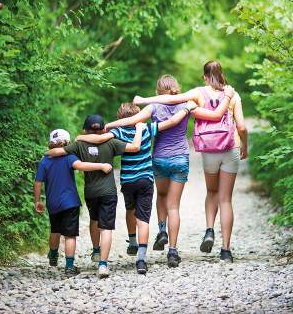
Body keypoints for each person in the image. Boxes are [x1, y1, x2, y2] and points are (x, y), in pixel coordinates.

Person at [76, 101, 225, 270]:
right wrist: (185, 108)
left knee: (130, 210)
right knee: (143, 218)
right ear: (138, 115)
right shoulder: (146, 128)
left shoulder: (118, 132)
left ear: (120, 118)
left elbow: (100, 138)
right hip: (145, 179)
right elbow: (171, 122)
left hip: (128, 180)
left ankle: (132, 241)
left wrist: (81, 137)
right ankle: (141, 259)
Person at [105, 76, 234, 267]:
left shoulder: (154, 107)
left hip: (159, 158)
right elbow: (213, 115)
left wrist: (109, 125)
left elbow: (132, 120)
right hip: (180, 158)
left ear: (158, 91)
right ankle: (172, 252)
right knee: (174, 206)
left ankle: (162, 230)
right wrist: (227, 98)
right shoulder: (188, 104)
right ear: (177, 88)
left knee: (161, 196)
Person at [134, 61, 248, 263]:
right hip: (230, 148)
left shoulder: (198, 93)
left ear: (205, 77)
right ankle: (226, 250)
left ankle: (210, 230)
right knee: (226, 199)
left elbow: (171, 100)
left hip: (209, 150)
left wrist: (143, 99)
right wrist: (244, 146)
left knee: (211, 192)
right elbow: (242, 127)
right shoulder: (234, 95)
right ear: (222, 74)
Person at [46, 115, 143, 278]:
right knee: (106, 228)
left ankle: (96, 250)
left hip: (91, 192)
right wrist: (139, 129)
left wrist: (47, 151)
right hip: (108, 192)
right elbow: (135, 148)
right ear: (103, 129)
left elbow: (56, 152)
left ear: (85, 130)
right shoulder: (112, 142)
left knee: (94, 220)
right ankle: (103, 265)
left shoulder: (79, 144)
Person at [34, 128, 113, 277]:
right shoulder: (69, 157)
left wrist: (37, 201)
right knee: (70, 235)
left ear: (51, 143)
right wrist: (101, 166)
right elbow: (82, 166)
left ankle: (53, 254)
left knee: (55, 230)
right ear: (67, 142)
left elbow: (38, 182)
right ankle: (69, 266)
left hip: (53, 203)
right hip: (70, 203)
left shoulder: (45, 160)